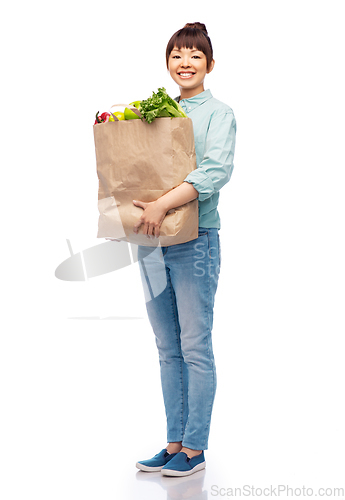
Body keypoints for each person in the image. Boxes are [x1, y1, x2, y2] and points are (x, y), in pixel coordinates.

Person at [133, 22, 236, 477]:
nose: (185, 62)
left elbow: (214, 173)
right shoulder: (157, 113)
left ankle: (194, 448)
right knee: (166, 345)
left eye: (195, 55)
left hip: (196, 242)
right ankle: (173, 441)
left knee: (194, 345)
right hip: (152, 240)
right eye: (177, 54)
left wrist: (160, 203)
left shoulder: (219, 114)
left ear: (209, 65)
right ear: (168, 64)